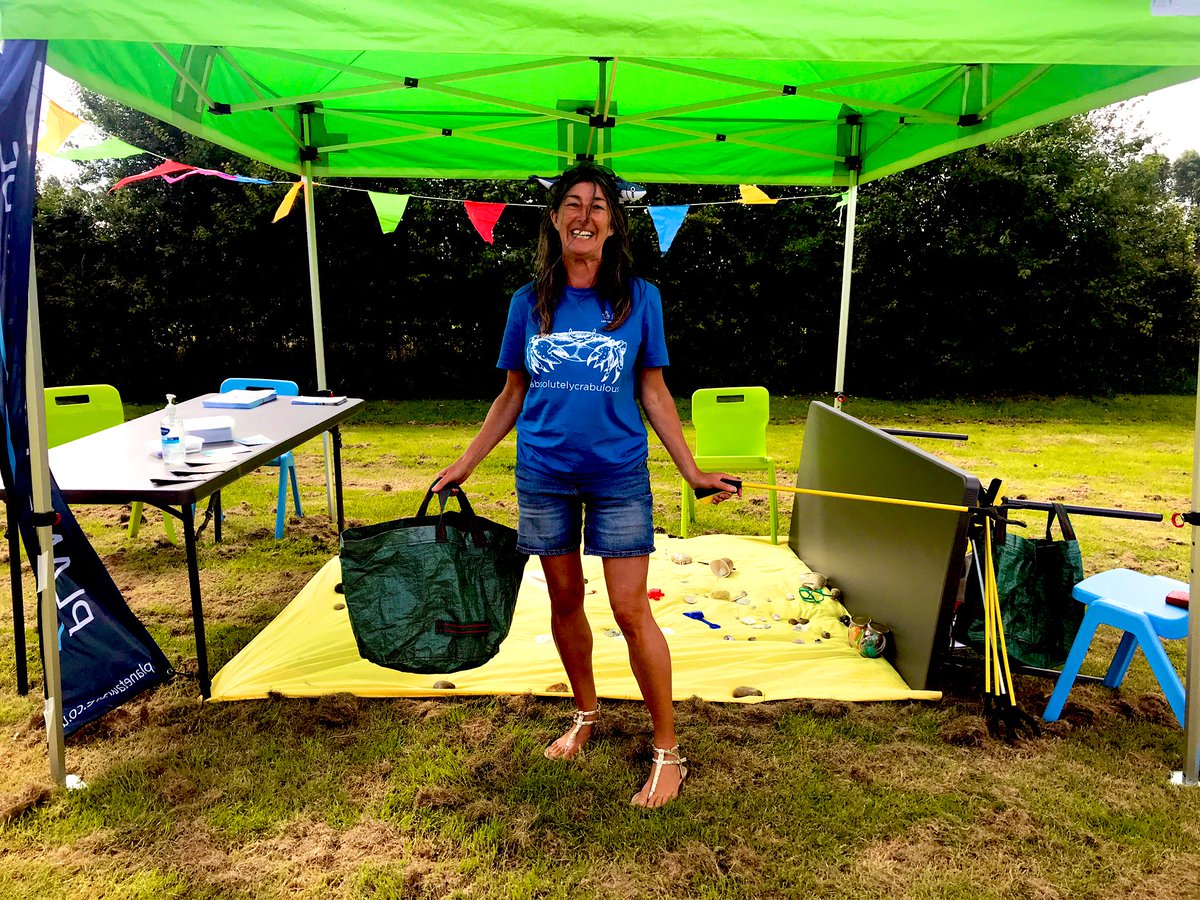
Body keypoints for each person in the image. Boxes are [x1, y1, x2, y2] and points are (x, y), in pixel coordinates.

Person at [432, 163, 739, 808]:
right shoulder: (528, 301)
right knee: (564, 602)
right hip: (543, 474)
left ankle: (666, 753)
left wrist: (692, 470)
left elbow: (653, 389)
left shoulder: (640, 298)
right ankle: (586, 715)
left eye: (598, 207)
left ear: (611, 224)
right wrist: (466, 462)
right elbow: (512, 392)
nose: (584, 215)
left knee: (631, 609)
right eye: (572, 204)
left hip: (618, 474)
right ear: (554, 219)